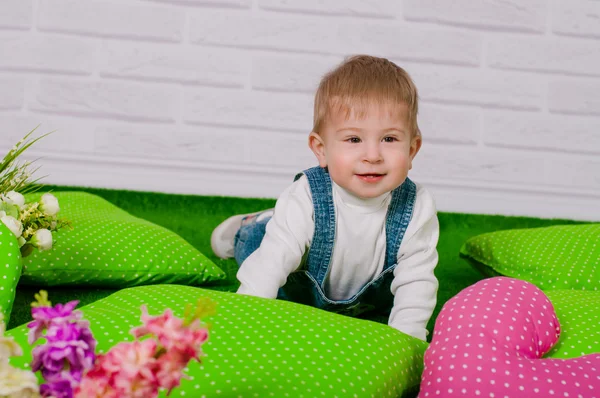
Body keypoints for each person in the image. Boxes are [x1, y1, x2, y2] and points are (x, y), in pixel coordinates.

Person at [211, 55, 439, 341]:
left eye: (389, 139)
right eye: (354, 139)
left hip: (363, 298)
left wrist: (408, 341)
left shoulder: (417, 206)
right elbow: (270, 265)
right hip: (292, 276)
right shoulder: (307, 196)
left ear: (412, 149)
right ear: (321, 149)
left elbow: (417, 281)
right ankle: (249, 225)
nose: (372, 155)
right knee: (262, 242)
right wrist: (242, 324)